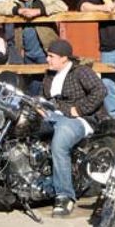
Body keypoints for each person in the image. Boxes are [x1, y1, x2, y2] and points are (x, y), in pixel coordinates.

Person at [40, 39, 108, 217]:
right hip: (53, 116)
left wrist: (79, 109)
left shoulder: (80, 71)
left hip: (80, 120)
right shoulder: (49, 75)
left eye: (51, 56)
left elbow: (100, 90)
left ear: (64, 58)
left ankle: (65, 196)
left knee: (60, 143)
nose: (48, 59)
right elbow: (43, 98)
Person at [0, 0, 69, 90]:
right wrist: (17, 10)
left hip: (45, 51)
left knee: (51, 81)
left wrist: (39, 11)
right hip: (26, 52)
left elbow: (62, 6)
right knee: (32, 83)